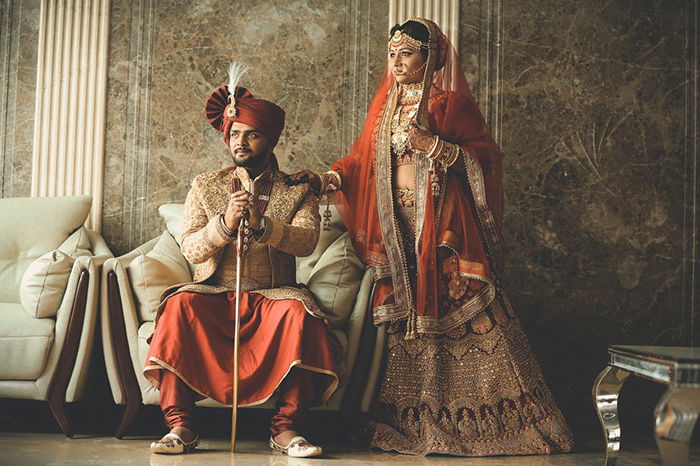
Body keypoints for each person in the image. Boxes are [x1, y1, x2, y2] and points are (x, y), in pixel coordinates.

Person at [291, 18, 574, 456]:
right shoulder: (384, 108)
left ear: (430, 58)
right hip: (398, 229)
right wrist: (328, 178)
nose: (397, 61)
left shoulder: (449, 103)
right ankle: (420, 418)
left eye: (407, 53)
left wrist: (434, 146)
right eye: (392, 53)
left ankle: (501, 422)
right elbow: (361, 161)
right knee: (412, 324)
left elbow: (483, 157)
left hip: (442, 226)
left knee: (460, 308)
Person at [145, 65, 337, 457]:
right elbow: (191, 250)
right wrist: (225, 224)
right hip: (215, 292)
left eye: (252, 134)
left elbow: (306, 242)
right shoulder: (206, 184)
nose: (241, 141)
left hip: (273, 295)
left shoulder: (297, 189)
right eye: (235, 133)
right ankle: (181, 427)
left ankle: (286, 430)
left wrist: (264, 225)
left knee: (301, 316)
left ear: (270, 139)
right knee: (178, 305)